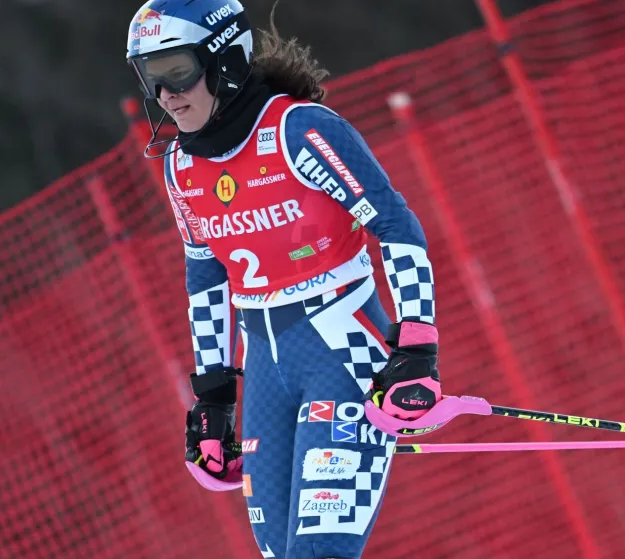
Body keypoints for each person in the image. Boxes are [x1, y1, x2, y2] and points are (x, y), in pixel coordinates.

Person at [125, 1, 443, 557]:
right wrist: (214, 399)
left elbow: (394, 225)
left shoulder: (301, 131)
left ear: (223, 61)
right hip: (268, 372)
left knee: (319, 552)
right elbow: (206, 281)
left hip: (343, 355)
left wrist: (417, 343)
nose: (167, 92)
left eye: (177, 69)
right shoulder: (180, 166)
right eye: (152, 75)